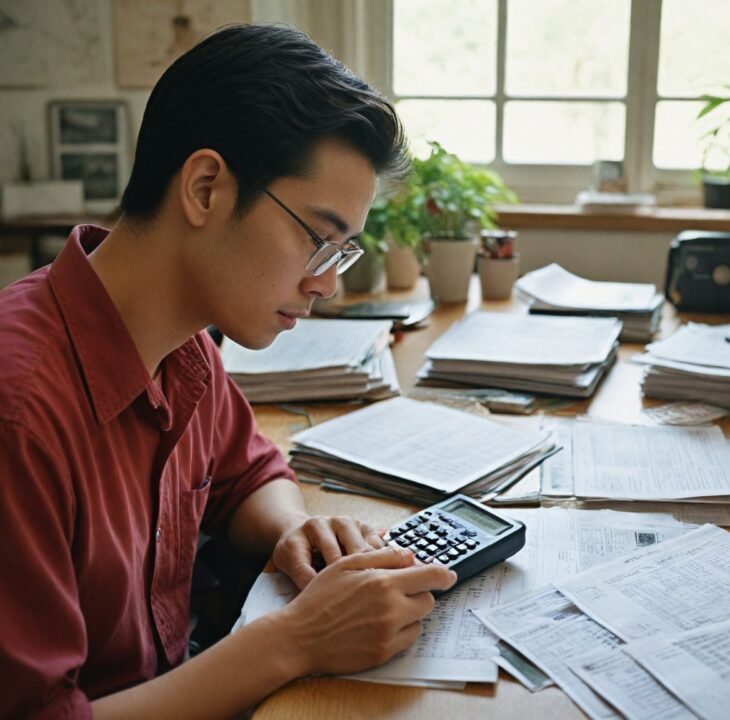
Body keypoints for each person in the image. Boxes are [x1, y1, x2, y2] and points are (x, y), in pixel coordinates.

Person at [0, 24, 455, 719]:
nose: (324, 284)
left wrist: (292, 528)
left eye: (341, 252)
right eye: (316, 239)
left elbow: (247, 473)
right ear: (206, 188)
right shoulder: (21, 411)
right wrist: (297, 640)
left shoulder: (188, 351)